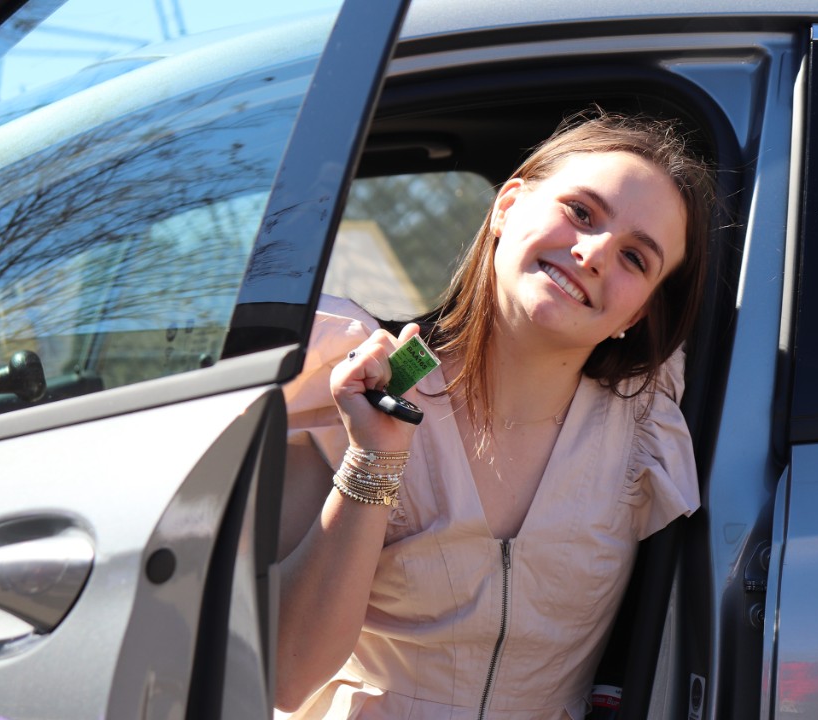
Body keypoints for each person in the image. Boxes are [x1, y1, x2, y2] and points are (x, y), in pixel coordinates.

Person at [273, 109, 715, 719]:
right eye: (581, 212)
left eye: (637, 258)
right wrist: (374, 461)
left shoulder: (646, 432)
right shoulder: (358, 389)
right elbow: (286, 677)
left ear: (636, 316)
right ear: (507, 205)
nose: (592, 255)